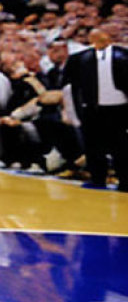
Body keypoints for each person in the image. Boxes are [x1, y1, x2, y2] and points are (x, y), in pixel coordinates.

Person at [63, 28, 128, 190]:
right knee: (93, 145)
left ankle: (125, 179)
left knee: (120, 145)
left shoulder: (124, 56)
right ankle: (97, 178)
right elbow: (71, 84)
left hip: (119, 107)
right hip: (92, 107)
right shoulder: (79, 58)